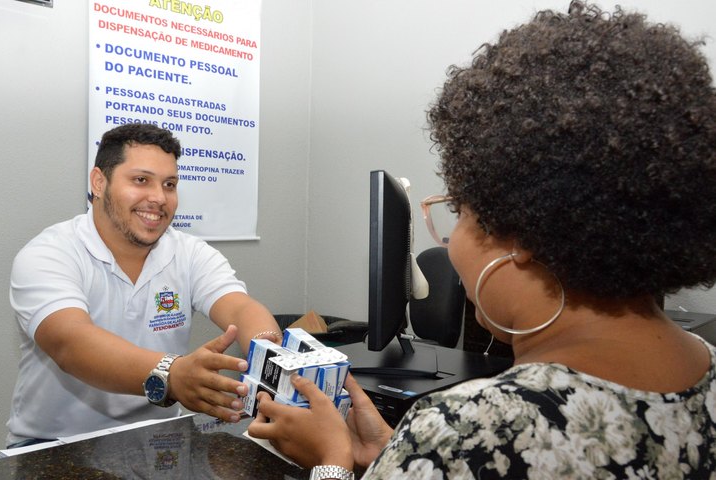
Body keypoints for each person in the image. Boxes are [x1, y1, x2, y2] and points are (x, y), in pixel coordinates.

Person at [247, 2, 716, 478]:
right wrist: (398, 456)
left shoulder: (468, 432)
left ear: (524, 231)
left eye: (460, 211)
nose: (451, 244)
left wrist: (333, 462)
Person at [7, 123, 282, 447]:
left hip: (161, 441)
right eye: (141, 180)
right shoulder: (49, 253)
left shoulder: (188, 252)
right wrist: (172, 375)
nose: (158, 198)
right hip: (53, 444)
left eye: (170, 184)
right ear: (99, 182)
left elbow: (240, 307)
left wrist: (272, 357)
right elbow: (71, 344)